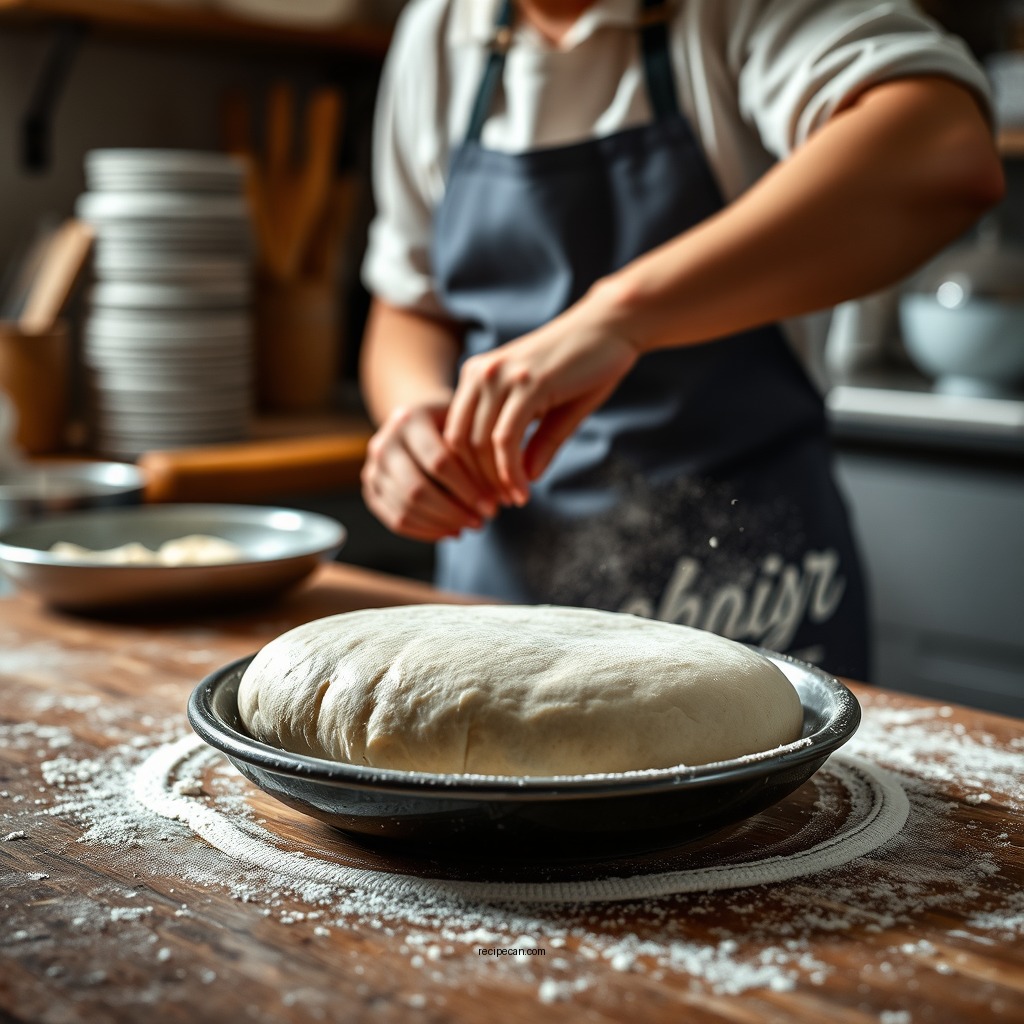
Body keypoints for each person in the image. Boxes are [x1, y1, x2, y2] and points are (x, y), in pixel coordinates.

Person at [358, 0, 1003, 681]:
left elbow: (941, 150)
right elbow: (410, 306)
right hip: (503, 603)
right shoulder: (440, 28)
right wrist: (415, 419)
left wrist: (619, 316)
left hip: (744, 601)